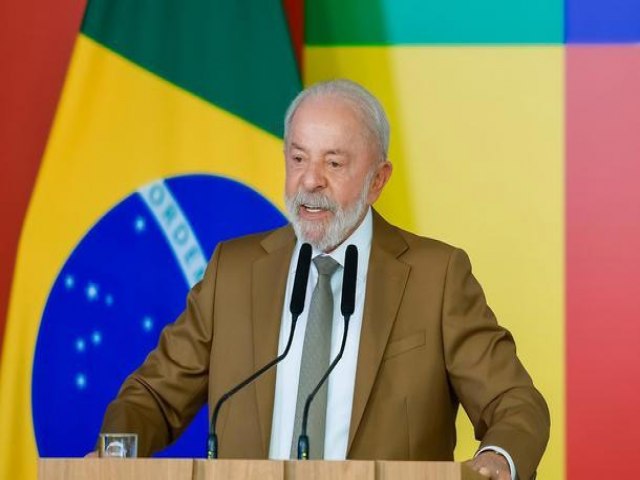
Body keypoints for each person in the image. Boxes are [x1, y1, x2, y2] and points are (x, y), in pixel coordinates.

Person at [99, 79, 549, 480]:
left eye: (333, 164)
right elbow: (152, 397)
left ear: (378, 180)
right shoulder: (232, 273)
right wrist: (114, 455)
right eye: (298, 158)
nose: (309, 181)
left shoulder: (436, 278)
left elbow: (516, 403)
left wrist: (498, 459)